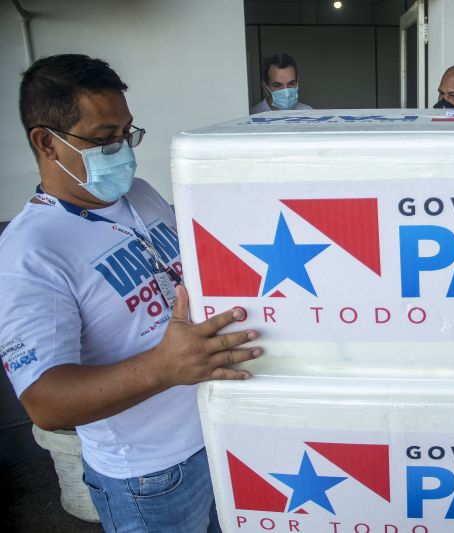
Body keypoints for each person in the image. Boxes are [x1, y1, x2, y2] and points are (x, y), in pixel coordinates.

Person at [0, 54, 262, 532]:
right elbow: (43, 401)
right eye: (104, 139)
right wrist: (165, 367)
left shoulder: (139, 194)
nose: (122, 150)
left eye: (127, 133)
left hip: (218, 433)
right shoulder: (29, 252)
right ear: (46, 142)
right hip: (151, 476)